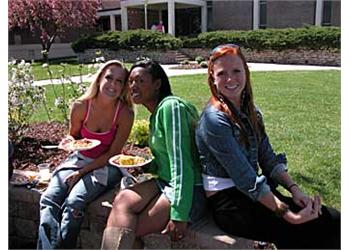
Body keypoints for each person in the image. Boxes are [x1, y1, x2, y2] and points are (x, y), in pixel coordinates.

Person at [195, 44, 340, 249]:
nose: (230, 79)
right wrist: (289, 215)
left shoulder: (251, 112)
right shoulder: (214, 120)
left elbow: (268, 159)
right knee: (319, 228)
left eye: (236, 71)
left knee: (331, 220)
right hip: (230, 205)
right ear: (212, 78)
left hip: (253, 195)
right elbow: (245, 178)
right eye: (222, 73)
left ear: (246, 71)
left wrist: (295, 190)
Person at [101, 59, 206, 249]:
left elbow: (182, 162)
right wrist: (144, 166)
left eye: (140, 81)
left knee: (128, 233)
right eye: (130, 81)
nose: (133, 86)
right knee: (123, 199)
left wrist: (179, 215)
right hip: (166, 181)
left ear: (157, 84)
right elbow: (164, 159)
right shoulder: (156, 113)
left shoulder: (171, 108)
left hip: (190, 189)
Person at [37, 60, 134, 249]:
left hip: (107, 166)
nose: (113, 85)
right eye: (109, 78)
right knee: (48, 199)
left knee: (74, 204)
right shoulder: (81, 106)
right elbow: (74, 136)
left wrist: (81, 173)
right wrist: (68, 141)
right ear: (99, 79)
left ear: (123, 87)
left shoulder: (125, 114)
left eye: (119, 81)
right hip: (79, 159)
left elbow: (113, 153)